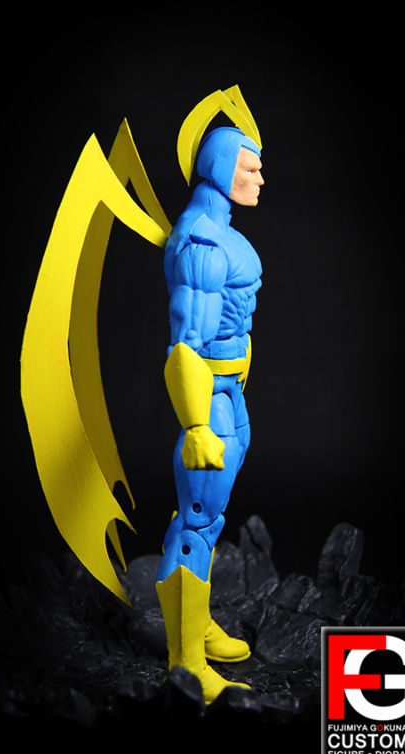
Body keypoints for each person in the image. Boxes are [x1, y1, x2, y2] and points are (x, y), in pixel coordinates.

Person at [155, 126, 265, 704]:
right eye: (249, 167)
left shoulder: (224, 234)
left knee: (207, 518)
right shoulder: (201, 242)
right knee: (197, 520)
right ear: (220, 168)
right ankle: (186, 665)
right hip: (210, 398)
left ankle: (194, 625)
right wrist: (196, 424)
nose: (260, 178)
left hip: (231, 393)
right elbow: (186, 345)